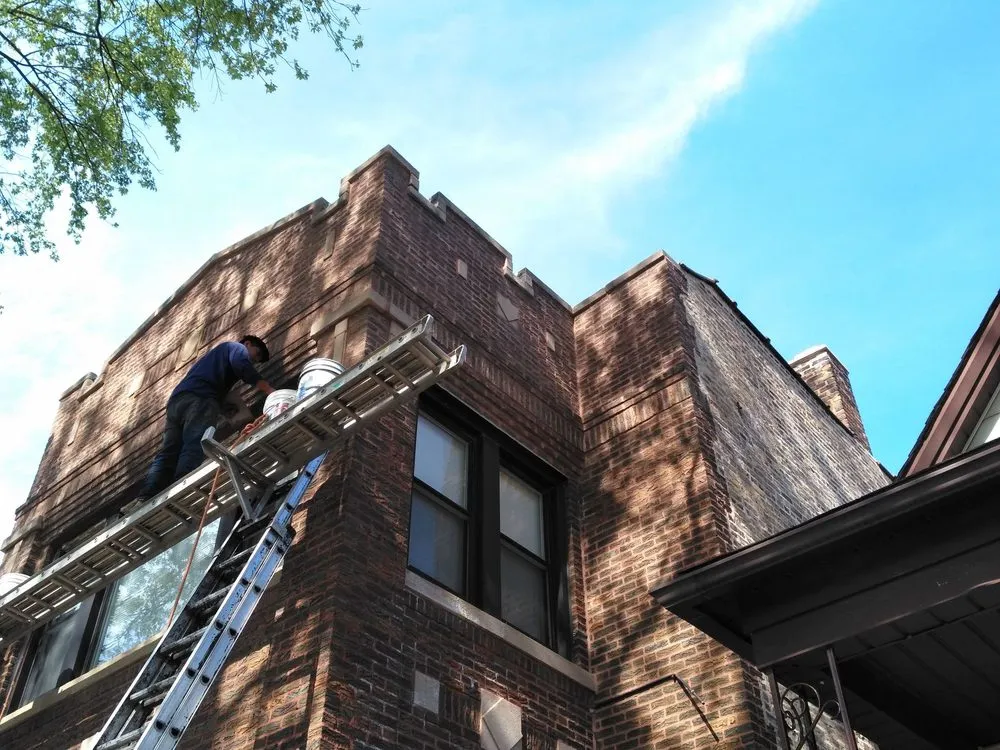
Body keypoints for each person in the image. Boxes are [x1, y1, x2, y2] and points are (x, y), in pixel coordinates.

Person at [136, 335, 276, 501]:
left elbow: (213, 382)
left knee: (169, 451)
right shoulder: (234, 348)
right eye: (257, 353)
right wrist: (270, 390)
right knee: (194, 443)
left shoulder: (216, 359)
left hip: (177, 402)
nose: (254, 360)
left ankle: (146, 496)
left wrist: (224, 406)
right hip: (200, 398)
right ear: (247, 344)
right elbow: (242, 366)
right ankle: (181, 488)